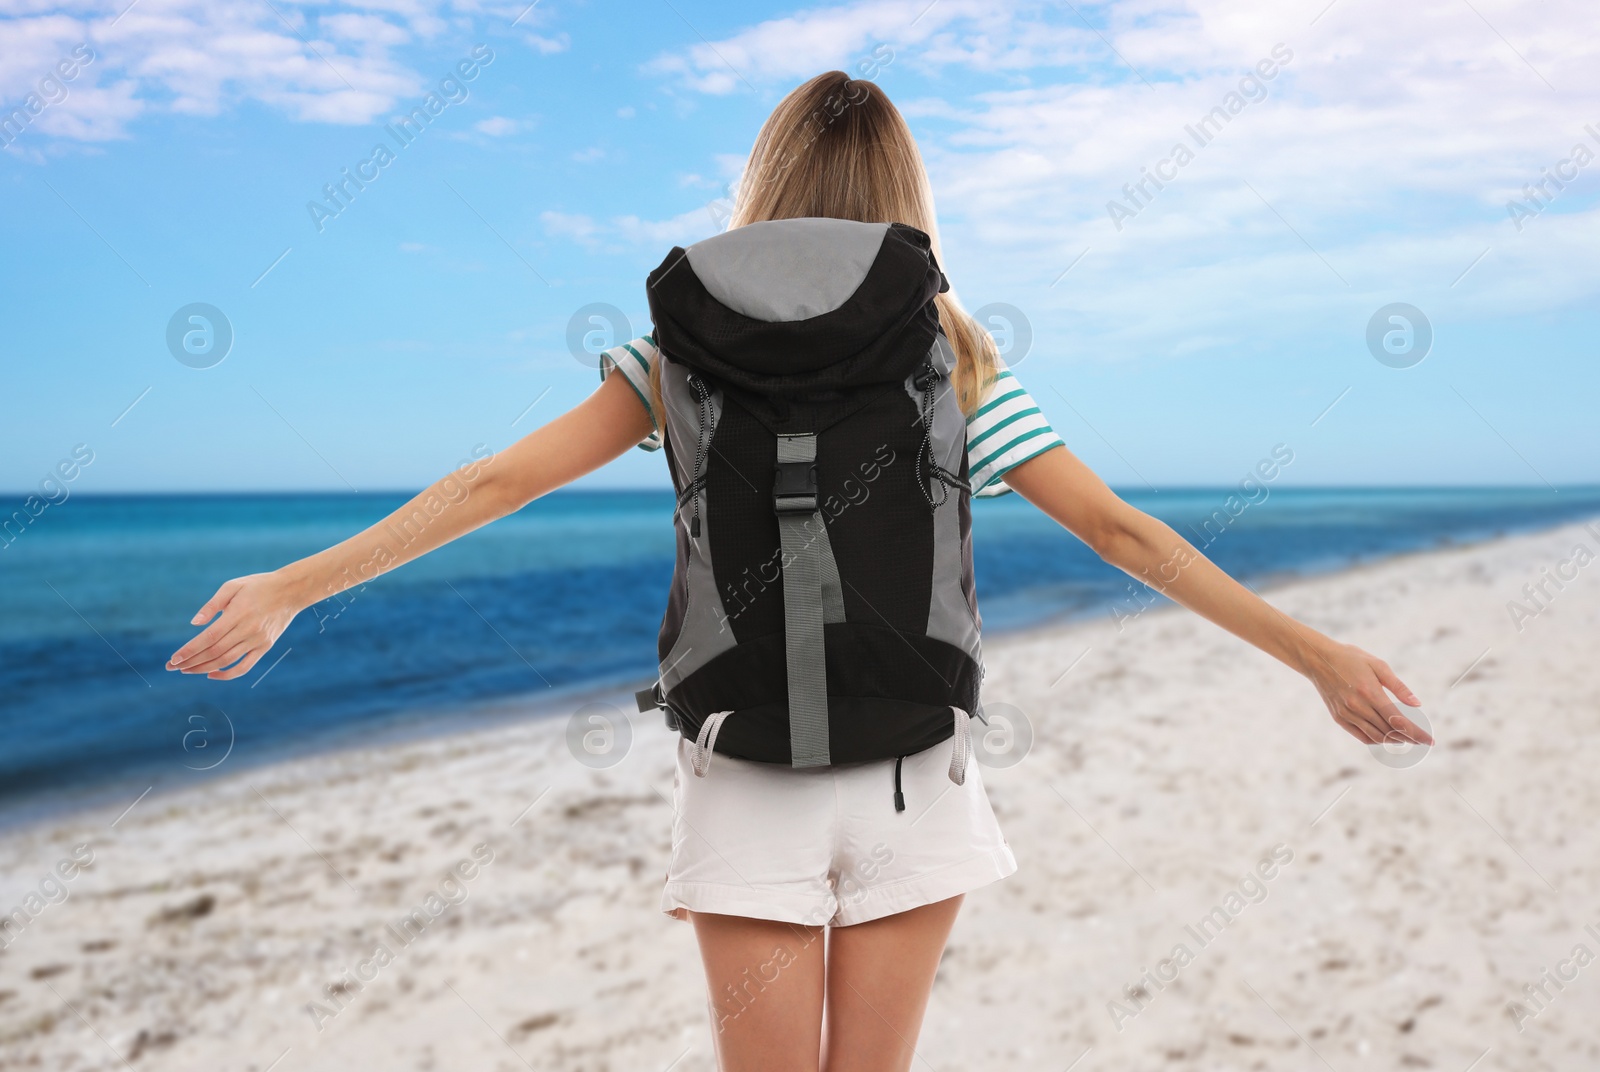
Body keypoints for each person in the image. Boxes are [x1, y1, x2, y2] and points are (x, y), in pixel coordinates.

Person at [166, 70, 1430, 1072]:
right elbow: (1121, 535)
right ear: (905, 195)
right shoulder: (957, 360)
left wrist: (296, 584)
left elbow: (499, 482)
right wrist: (1312, 654)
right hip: (913, 771)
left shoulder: (674, 354)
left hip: (743, 769)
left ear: (764, 181)